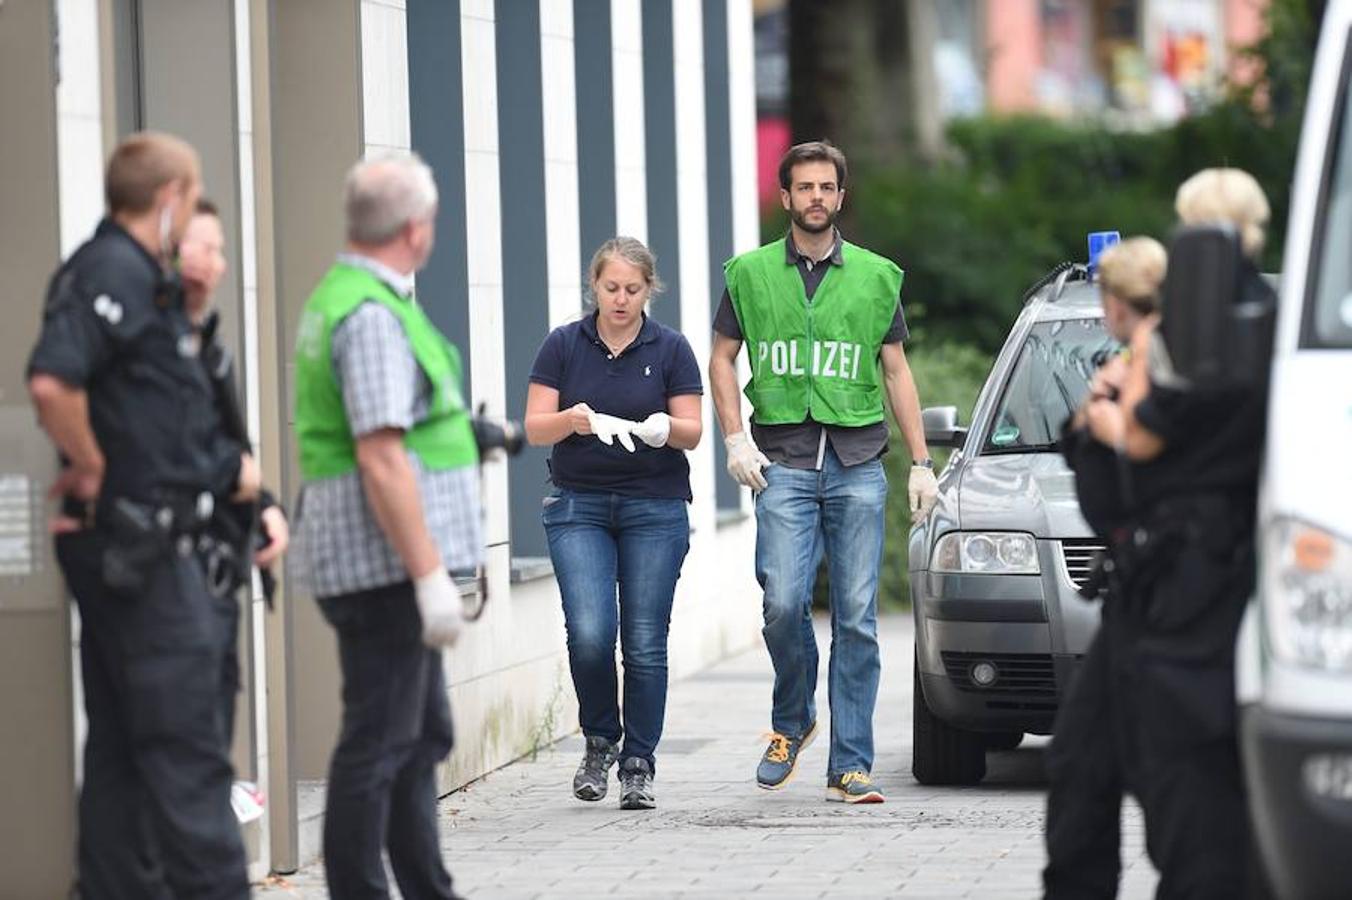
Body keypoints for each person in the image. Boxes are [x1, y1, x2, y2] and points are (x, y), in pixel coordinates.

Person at [26, 132, 252, 899]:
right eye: (189, 203)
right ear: (168, 200)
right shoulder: (110, 273)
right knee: (191, 759)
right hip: (145, 555)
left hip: (141, 547)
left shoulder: (138, 278)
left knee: (122, 757)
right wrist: (88, 464)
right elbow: (53, 384)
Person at [1065, 169, 1276, 898]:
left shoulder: (1200, 336)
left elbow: (1143, 443)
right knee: (1088, 775)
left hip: (1186, 600)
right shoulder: (1244, 321)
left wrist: (1104, 421)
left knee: (1188, 810)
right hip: (1164, 589)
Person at [708, 140, 938, 804]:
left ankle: (851, 764)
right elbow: (721, 358)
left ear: (841, 196)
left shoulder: (874, 276)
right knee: (782, 604)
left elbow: (896, 370)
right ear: (785, 198)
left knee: (859, 617)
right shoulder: (749, 274)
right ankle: (794, 719)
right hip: (781, 461)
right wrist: (733, 438)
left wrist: (922, 462)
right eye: (803, 187)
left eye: (825, 188)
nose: (815, 197)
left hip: (859, 463)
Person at [291, 152, 478, 900]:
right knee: (377, 741)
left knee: (417, 737)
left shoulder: (363, 298)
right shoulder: (368, 315)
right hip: (383, 567)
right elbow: (380, 458)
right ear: (414, 228)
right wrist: (430, 575)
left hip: (383, 562)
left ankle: (429, 888)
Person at [524, 237, 704, 811]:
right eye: (611, 288)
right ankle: (601, 739)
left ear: (649, 289)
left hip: (655, 506)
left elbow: (693, 429)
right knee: (592, 634)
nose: (621, 299)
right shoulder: (563, 345)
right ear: (593, 286)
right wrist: (569, 420)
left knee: (646, 642)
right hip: (580, 504)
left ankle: (638, 764)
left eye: (632, 289)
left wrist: (663, 429)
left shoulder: (671, 348)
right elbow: (533, 427)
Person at [1042, 236, 1168, 898]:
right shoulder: (1148, 353)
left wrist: (1098, 418)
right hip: (1142, 596)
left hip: (1159, 599)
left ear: (1115, 299)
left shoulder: (1152, 358)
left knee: (1160, 781)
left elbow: (1140, 442)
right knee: (1083, 761)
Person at [177, 197, 290, 751]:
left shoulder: (208, 345)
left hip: (220, 563)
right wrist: (233, 474)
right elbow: (154, 445)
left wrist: (265, 502)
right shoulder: (151, 346)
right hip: (170, 577)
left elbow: (227, 442)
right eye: (208, 248)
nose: (219, 263)